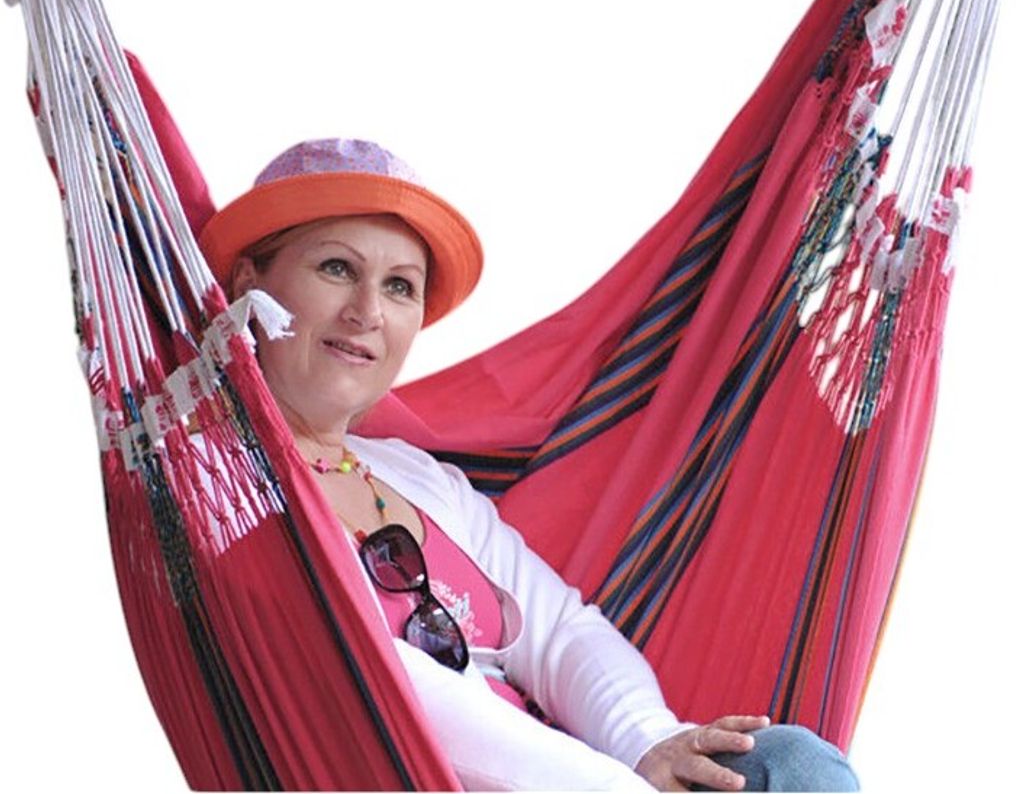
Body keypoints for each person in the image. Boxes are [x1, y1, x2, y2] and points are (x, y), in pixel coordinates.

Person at [198, 137, 859, 792]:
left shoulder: (416, 479)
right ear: (251, 282)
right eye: (337, 268)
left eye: (399, 286)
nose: (367, 312)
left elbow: (563, 632)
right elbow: (383, 683)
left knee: (793, 765)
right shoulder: (219, 487)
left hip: (582, 777)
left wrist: (647, 742)